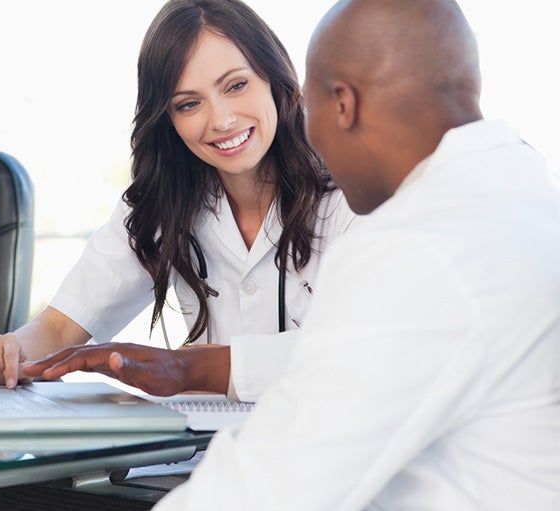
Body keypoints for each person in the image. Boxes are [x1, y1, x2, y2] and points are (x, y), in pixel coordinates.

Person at [153, 0, 560, 509]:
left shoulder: (418, 247)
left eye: (309, 109)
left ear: (343, 105)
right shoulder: (525, 191)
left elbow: (269, 486)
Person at [0, 0, 355, 401]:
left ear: (273, 78)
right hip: (209, 452)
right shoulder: (162, 199)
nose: (221, 120)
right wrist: (8, 353)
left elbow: (365, 349)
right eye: (188, 104)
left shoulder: (353, 190)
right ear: (167, 119)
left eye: (236, 85)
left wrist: (187, 368)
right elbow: (61, 328)